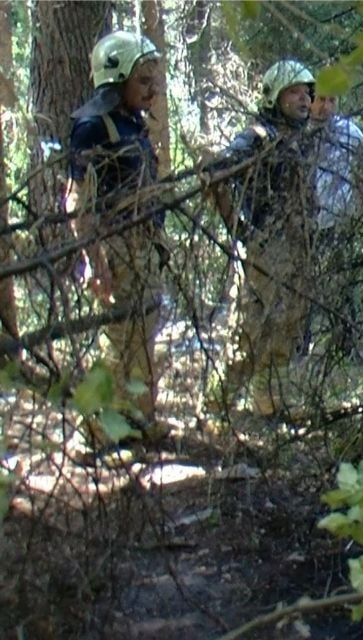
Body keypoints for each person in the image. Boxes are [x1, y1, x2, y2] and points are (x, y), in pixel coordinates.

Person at [64, 31, 167, 446]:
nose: (153, 88)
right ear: (116, 78)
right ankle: (92, 435)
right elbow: (77, 201)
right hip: (116, 249)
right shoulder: (92, 129)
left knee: (142, 341)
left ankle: (138, 422)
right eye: (142, 80)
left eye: (153, 79)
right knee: (118, 344)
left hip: (144, 246)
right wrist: (97, 261)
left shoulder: (132, 124)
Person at [204, 60, 317, 417]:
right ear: (275, 96)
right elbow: (215, 172)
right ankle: (216, 404)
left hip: (299, 245)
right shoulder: (256, 137)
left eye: (307, 93)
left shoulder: (301, 137)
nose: (304, 99)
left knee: (288, 325)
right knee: (250, 330)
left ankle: (271, 404)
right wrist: (239, 229)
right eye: (295, 92)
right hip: (266, 249)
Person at [301, 89, 363, 357]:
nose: (326, 107)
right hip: (305, 225)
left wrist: (359, 209)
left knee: (340, 286)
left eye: (332, 100)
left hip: (338, 223)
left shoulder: (351, 133)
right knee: (303, 287)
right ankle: (301, 345)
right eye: (321, 100)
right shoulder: (298, 133)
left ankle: (346, 345)